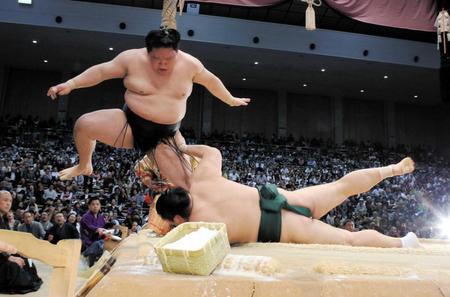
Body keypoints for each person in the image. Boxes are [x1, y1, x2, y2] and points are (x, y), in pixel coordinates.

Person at [47, 28, 250, 181]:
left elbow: (211, 81)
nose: (162, 63)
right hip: (129, 123)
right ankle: (84, 165)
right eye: (156, 58)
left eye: (168, 58)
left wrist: (230, 99)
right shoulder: (131, 59)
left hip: (166, 135)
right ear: (147, 51)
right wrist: (71, 84)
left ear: (176, 52)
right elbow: (101, 72)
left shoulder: (191, 65)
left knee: (187, 186)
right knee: (84, 125)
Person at [155, 144, 421, 248]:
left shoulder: (197, 230)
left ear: (178, 217)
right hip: (286, 199)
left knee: (350, 240)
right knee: (341, 187)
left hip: (286, 229)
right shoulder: (203, 181)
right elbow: (213, 152)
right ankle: (391, 169)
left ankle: (404, 244)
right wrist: (183, 148)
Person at [0, 190, 43, 294]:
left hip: (3, 252)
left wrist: (15, 253)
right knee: (14, 266)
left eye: (10, 201)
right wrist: (9, 257)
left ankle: (31, 279)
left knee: (27, 259)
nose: (8, 203)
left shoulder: (4, 219)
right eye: (5, 200)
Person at [80, 197, 106, 266]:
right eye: (93, 204)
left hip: (99, 243)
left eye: (97, 204)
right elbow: (89, 226)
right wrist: (98, 229)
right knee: (98, 244)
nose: (95, 206)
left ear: (100, 206)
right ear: (89, 206)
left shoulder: (101, 217)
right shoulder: (85, 217)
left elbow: (104, 228)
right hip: (88, 244)